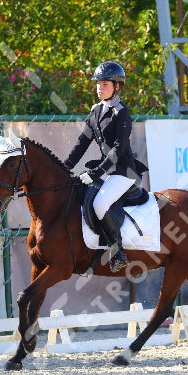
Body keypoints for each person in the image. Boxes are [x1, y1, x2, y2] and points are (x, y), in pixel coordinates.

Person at [63, 61, 142, 272]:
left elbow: (119, 148)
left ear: (117, 86)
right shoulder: (96, 111)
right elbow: (82, 143)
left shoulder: (121, 113)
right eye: (98, 83)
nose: (99, 87)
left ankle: (118, 251)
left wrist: (97, 173)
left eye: (105, 83)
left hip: (124, 173)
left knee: (100, 203)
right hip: (106, 170)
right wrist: (64, 167)